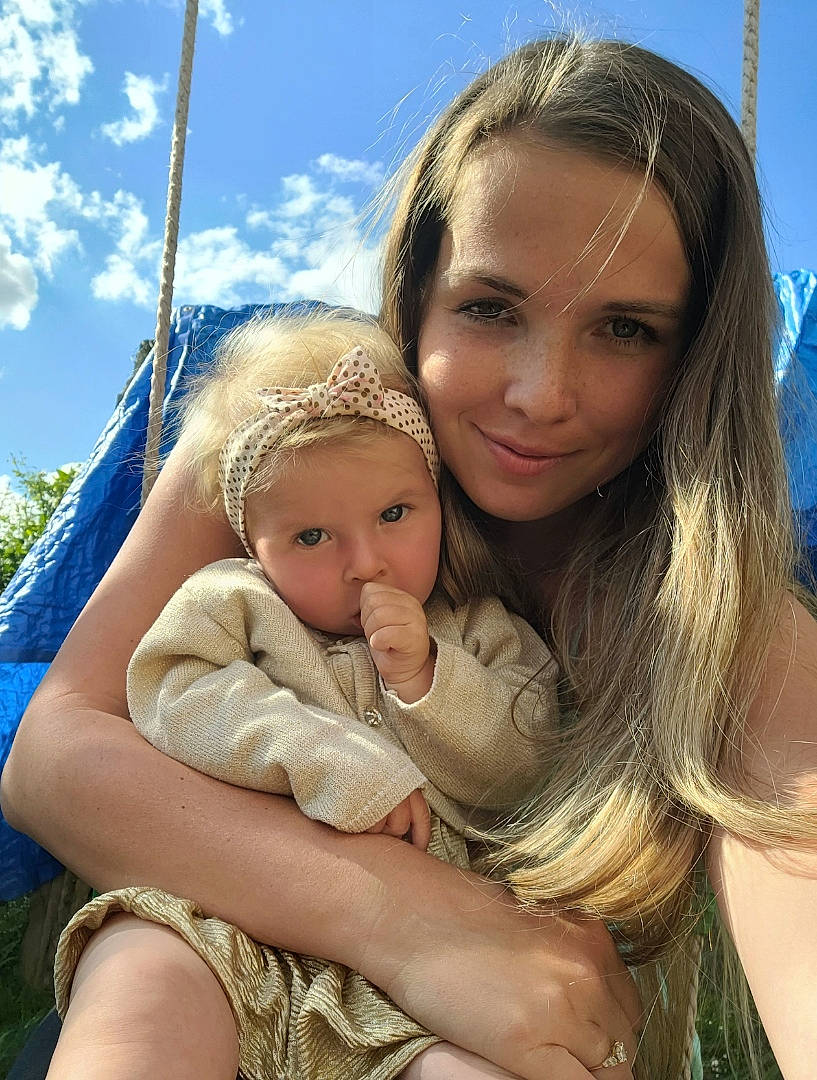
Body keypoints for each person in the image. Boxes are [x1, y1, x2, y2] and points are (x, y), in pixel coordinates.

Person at [3, 30, 816, 1080]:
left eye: (623, 330)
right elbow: (56, 752)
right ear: (416, 291)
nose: (538, 394)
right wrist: (406, 918)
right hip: (191, 995)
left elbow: (792, 824)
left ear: (691, 354)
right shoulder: (294, 439)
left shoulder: (697, 600)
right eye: (490, 308)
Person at [51, 310, 562, 1080]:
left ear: (436, 502)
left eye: (394, 515)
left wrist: (428, 682)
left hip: (426, 979)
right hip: (231, 919)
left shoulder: (482, 635)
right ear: (251, 545)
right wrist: (320, 754)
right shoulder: (234, 604)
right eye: (311, 537)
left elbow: (525, 768)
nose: (365, 562)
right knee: (138, 983)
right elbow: (170, 688)